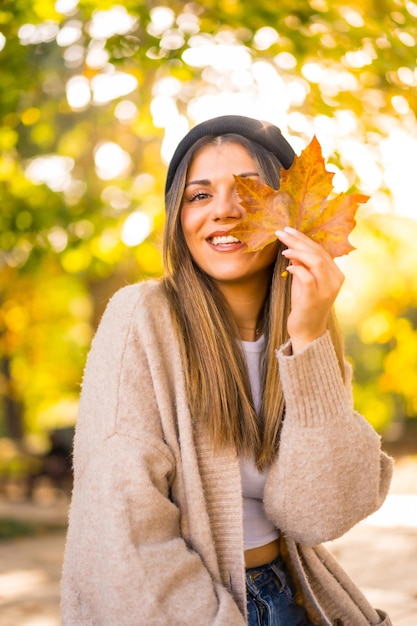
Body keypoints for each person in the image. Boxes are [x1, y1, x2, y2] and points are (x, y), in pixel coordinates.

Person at [61, 115, 393, 625]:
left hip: (292, 596)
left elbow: (320, 514)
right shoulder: (141, 317)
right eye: (199, 196)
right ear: (179, 217)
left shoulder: (307, 330)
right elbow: (123, 525)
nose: (225, 210)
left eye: (249, 190)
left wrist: (308, 337)